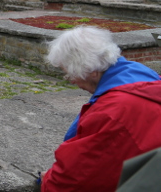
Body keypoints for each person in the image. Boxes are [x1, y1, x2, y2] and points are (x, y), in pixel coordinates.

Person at [41, 26, 161, 192]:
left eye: (70, 74)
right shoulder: (142, 75)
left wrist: (47, 180)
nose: (71, 81)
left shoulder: (112, 111)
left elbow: (76, 178)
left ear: (91, 71)